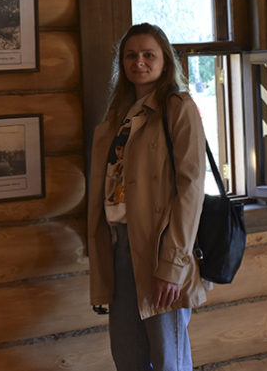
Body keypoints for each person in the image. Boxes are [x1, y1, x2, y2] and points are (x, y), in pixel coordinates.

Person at [88, 23, 207, 371]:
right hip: (119, 247)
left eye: (148, 54)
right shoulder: (118, 117)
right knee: (127, 359)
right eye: (131, 55)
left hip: (160, 249)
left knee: (169, 361)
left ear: (165, 60)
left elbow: (191, 188)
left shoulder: (178, 107)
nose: (139, 62)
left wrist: (172, 264)